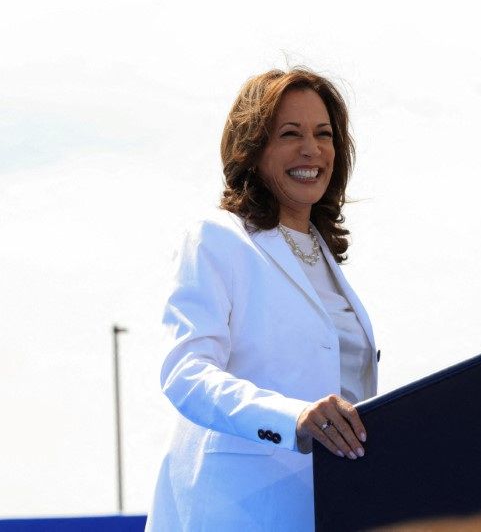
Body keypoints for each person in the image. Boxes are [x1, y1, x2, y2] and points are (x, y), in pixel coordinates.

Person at [145, 68, 378, 531]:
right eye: (290, 134)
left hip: (328, 508)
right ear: (250, 150)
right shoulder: (217, 238)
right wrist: (294, 418)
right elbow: (186, 373)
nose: (311, 149)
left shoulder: (323, 255)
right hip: (237, 511)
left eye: (323, 134)